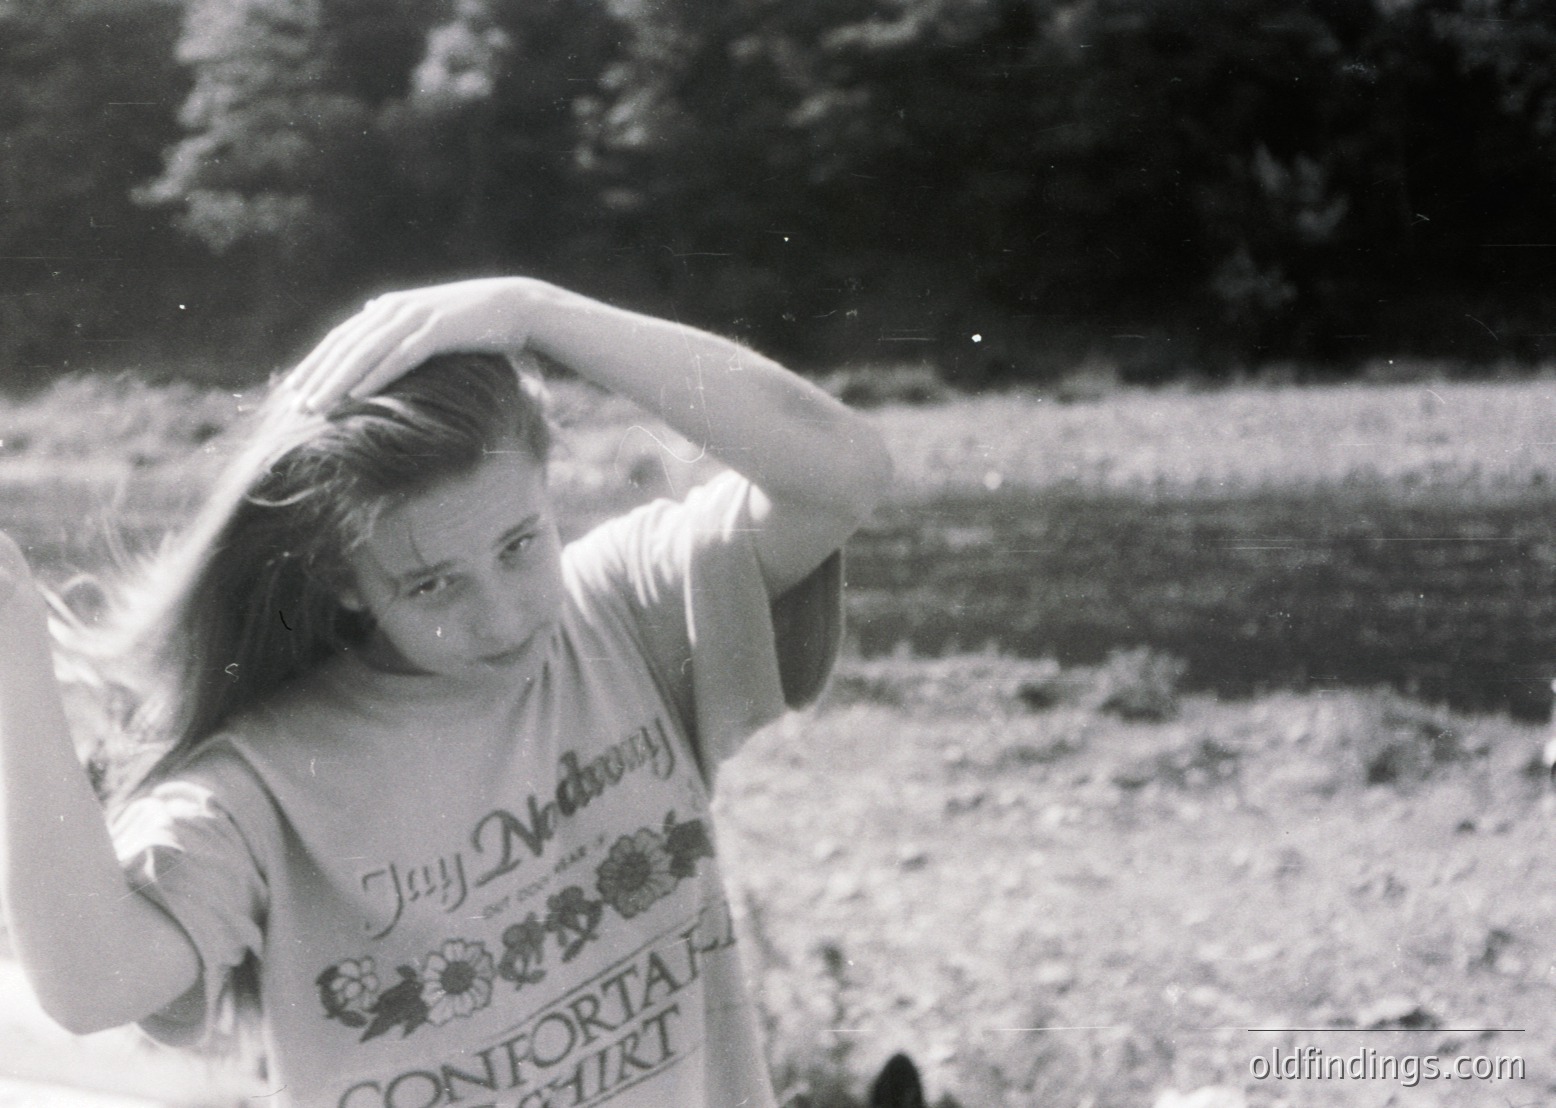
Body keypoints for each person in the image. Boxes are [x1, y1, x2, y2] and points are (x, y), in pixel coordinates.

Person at [0, 277, 892, 1108]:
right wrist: (12, 653)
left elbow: (843, 474)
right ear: (344, 579)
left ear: (550, 490)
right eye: (431, 585)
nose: (502, 618)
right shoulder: (262, 786)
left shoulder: (620, 615)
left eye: (519, 545)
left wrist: (534, 310)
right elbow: (88, 986)